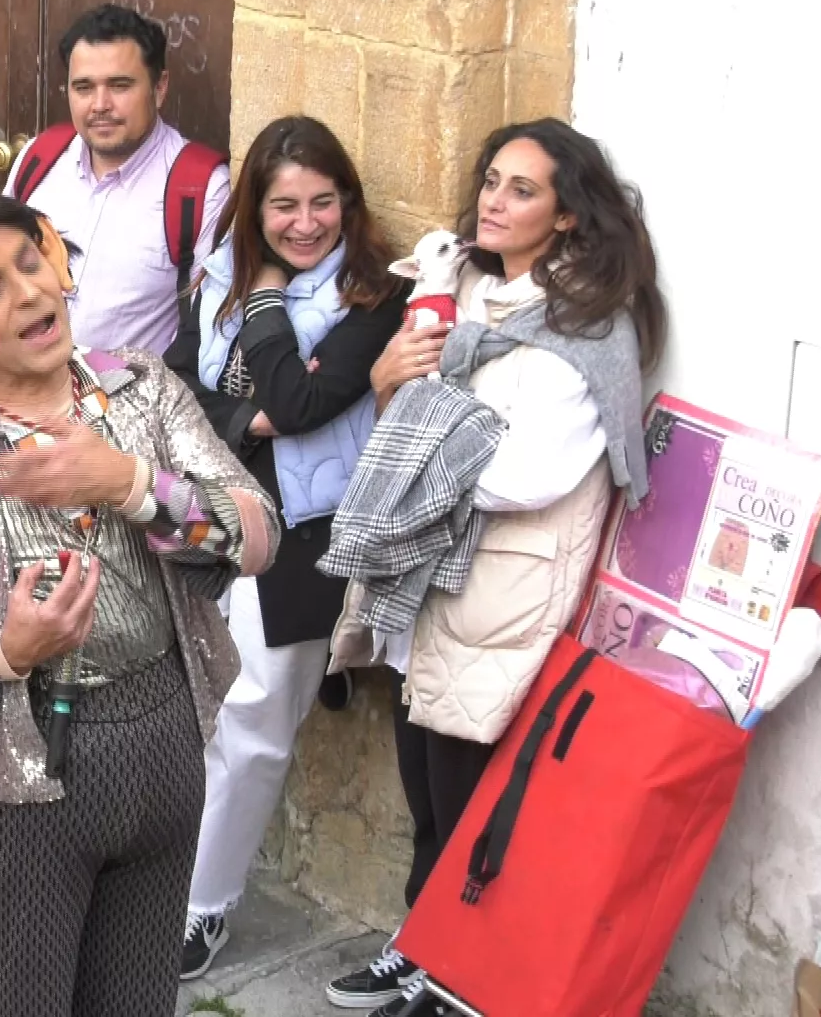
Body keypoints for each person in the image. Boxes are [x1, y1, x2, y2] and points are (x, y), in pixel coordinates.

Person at [0, 192, 277, 1017]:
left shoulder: (141, 391)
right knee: (12, 1000)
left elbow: (256, 534)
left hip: (164, 739)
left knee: (137, 999)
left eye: (31, 264)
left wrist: (131, 484)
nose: (28, 294)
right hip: (23, 772)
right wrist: (2, 655)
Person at [319, 118, 664, 1017]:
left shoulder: (587, 331)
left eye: (522, 189)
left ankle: (456, 975)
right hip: (424, 579)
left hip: (500, 587)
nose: (494, 201)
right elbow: (410, 414)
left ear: (569, 217)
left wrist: (412, 404)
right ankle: (422, 949)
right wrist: (407, 392)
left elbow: (517, 475)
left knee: (474, 802)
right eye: (491, 181)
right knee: (427, 792)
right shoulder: (466, 293)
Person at [160, 115, 404, 979]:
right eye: (284, 205)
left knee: (255, 722)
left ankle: (202, 910)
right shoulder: (216, 276)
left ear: (350, 203)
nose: (305, 223)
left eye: (324, 203)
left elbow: (303, 410)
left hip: (307, 538)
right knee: (183, 713)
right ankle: (157, 889)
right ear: (253, 208)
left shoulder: (376, 296)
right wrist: (255, 413)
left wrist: (265, 308)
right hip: (208, 517)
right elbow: (178, 391)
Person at [7, 3, 231, 356]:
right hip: (22, 393)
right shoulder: (40, 158)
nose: (100, 105)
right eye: (83, 87)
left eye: (120, 85)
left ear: (159, 88)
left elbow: (212, 334)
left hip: (130, 403)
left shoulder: (201, 188)